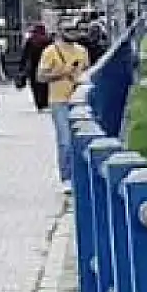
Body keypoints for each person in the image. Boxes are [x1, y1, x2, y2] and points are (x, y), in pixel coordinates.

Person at [37, 27, 91, 190]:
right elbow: (40, 77)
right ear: (61, 31)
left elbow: (87, 70)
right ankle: (66, 177)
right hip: (59, 100)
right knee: (65, 141)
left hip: (80, 99)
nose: (74, 33)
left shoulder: (82, 51)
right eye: (70, 30)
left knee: (83, 139)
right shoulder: (50, 51)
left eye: (76, 30)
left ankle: (80, 175)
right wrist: (62, 74)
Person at [18, 24, 53, 111]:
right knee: (45, 85)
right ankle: (45, 102)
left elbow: (25, 55)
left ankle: (39, 104)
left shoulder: (30, 41)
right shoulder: (48, 40)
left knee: (35, 85)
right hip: (46, 65)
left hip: (33, 66)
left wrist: (22, 67)